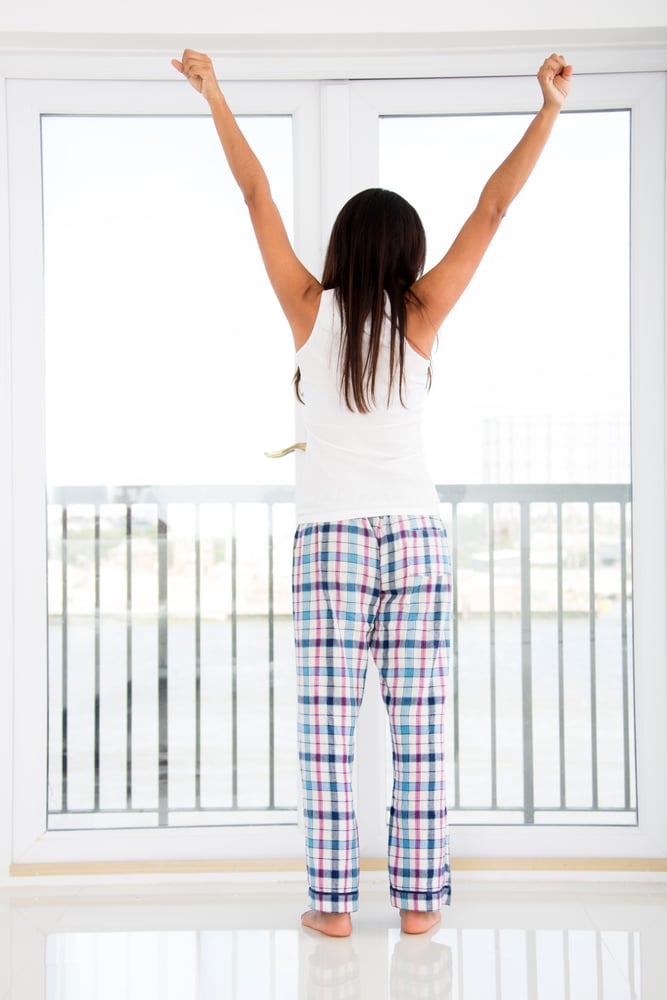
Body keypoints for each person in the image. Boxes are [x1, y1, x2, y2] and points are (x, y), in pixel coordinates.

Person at [172, 49, 572, 938]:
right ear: (405, 253)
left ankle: (334, 906)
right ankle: (421, 906)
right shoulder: (422, 313)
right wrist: (546, 111)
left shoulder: (308, 308)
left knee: (328, 735)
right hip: (417, 538)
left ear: (344, 247)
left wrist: (217, 97)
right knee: (417, 729)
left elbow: (256, 197)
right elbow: (494, 208)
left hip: (331, 542)